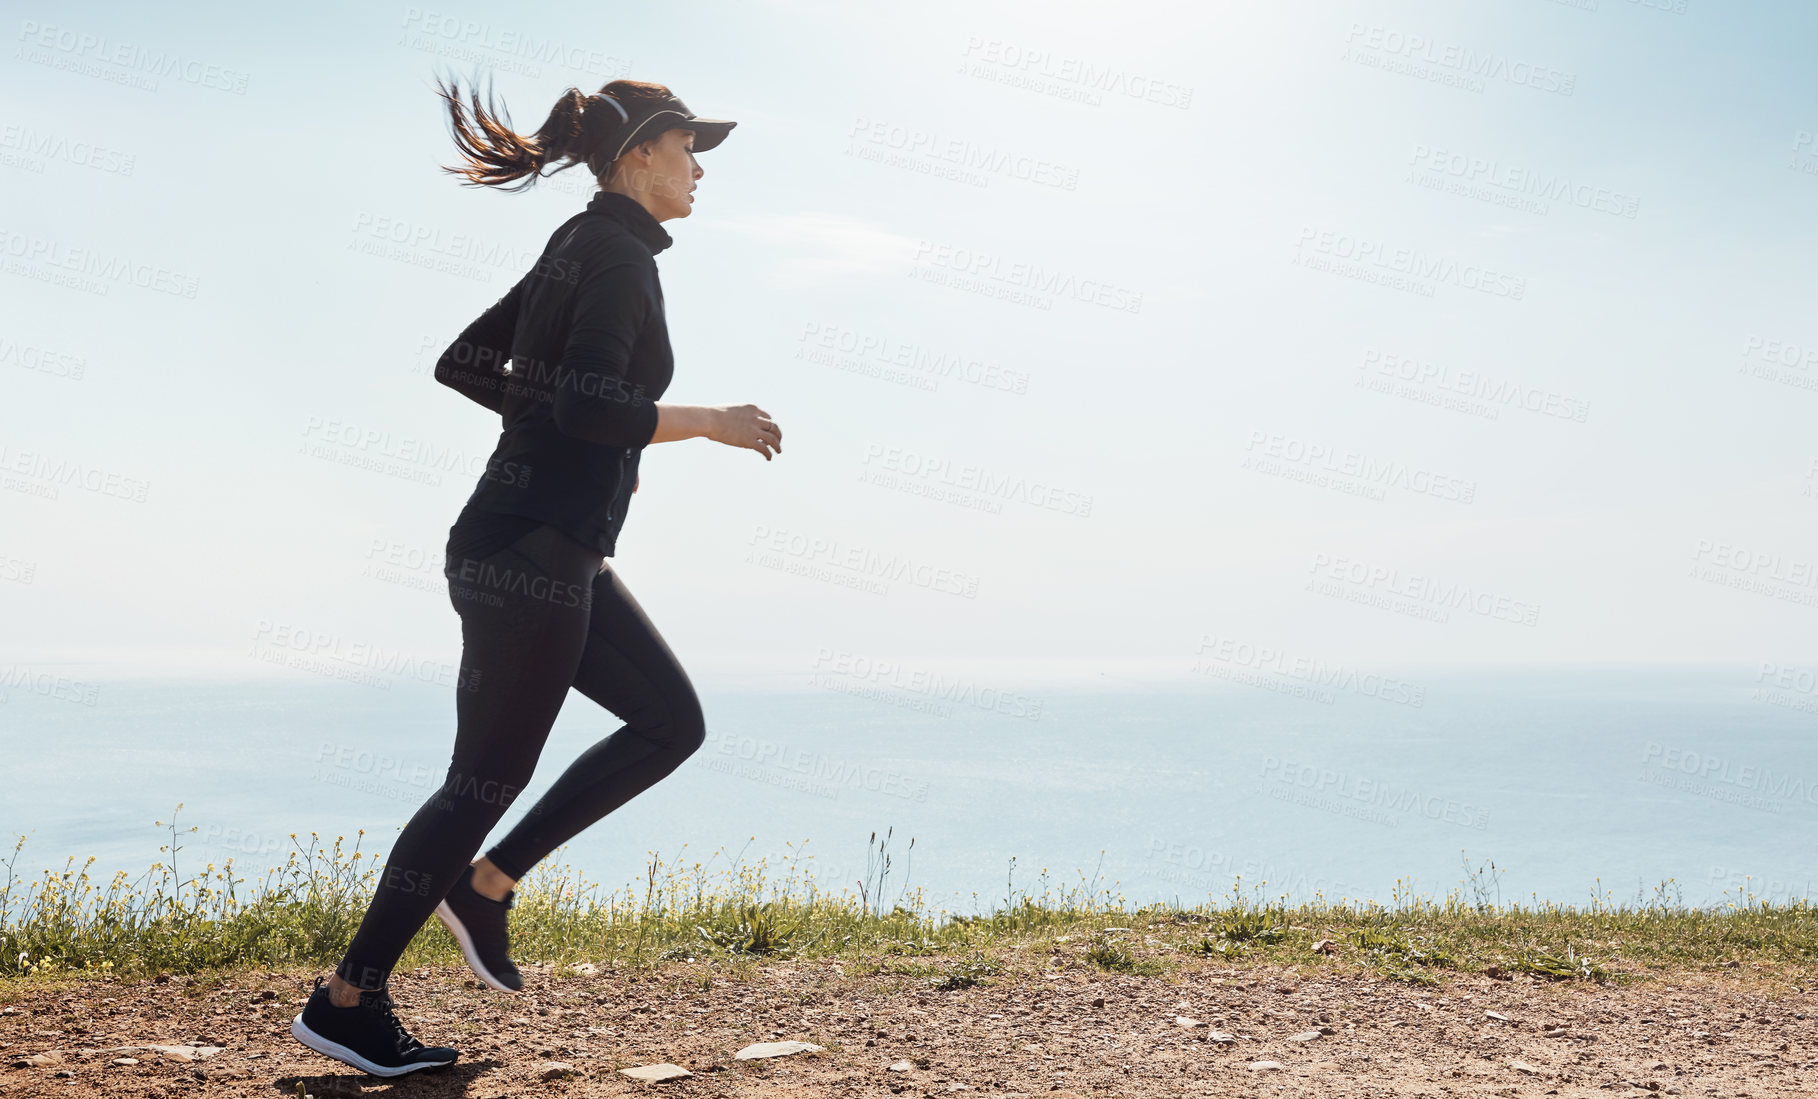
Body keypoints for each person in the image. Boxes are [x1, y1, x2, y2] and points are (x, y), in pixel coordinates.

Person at [289, 74, 781, 1077]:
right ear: (640, 152)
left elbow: (467, 363)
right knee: (482, 780)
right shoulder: (613, 257)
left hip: (544, 546)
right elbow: (592, 409)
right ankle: (349, 999)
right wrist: (711, 424)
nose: (700, 169)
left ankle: (490, 883)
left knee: (668, 723)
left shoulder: (581, 243)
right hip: (531, 551)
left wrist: (546, 419)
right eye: (691, 148)